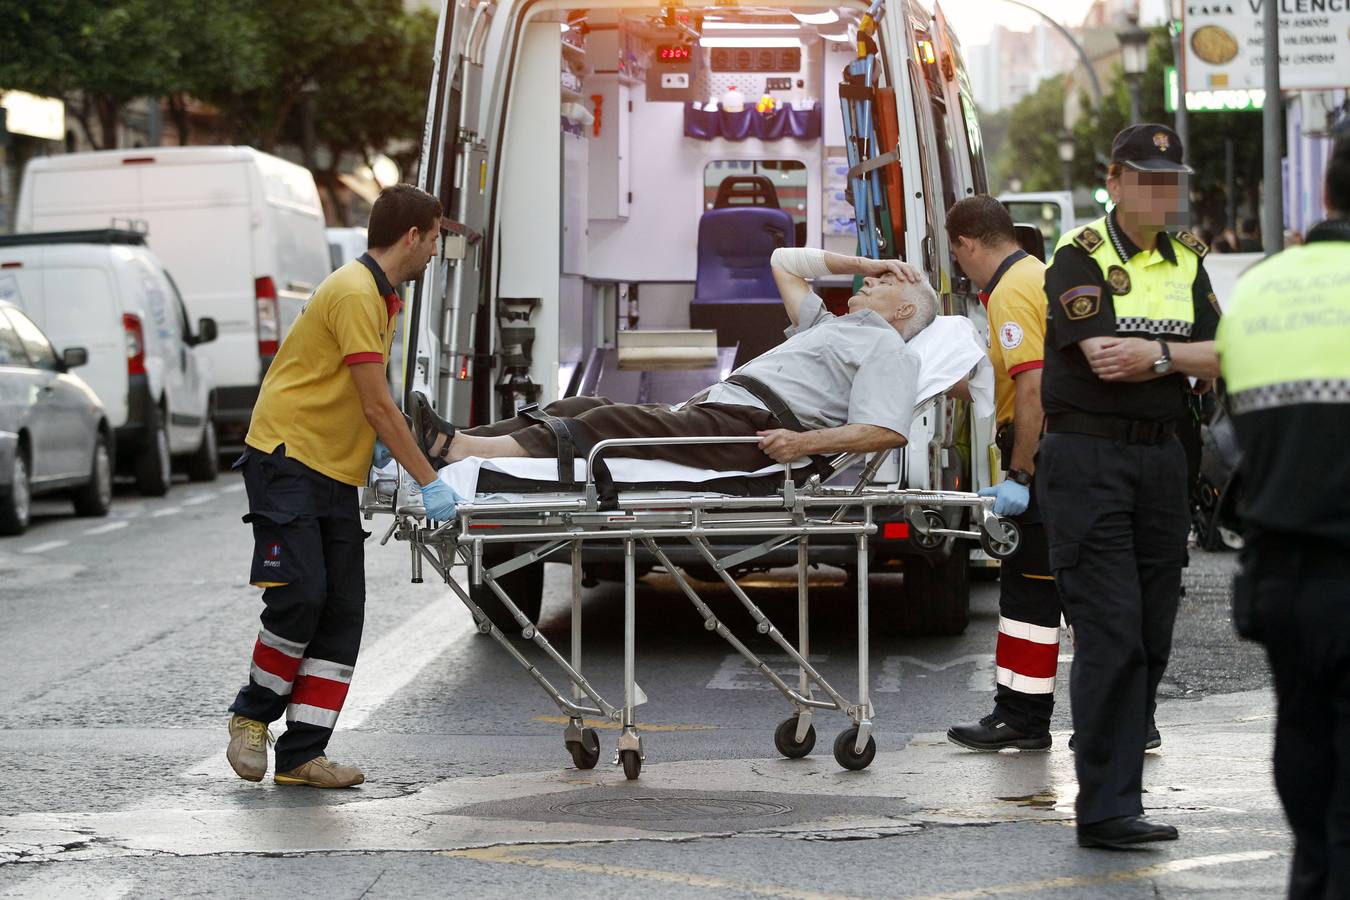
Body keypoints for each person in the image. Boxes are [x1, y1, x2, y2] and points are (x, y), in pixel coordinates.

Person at [224, 184, 461, 788]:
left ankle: (303, 754)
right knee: (301, 594)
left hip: (331, 467)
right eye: (435, 237)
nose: (436, 250)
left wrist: (379, 449)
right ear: (413, 236)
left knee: (341, 612)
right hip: (289, 458)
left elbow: (360, 398)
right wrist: (427, 478)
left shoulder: (377, 297)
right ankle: (251, 718)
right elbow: (379, 405)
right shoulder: (358, 293)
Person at [1037, 124, 1220, 849]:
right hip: (1089, 461)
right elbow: (1105, 358)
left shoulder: (1188, 261)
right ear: (1113, 181)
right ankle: (1106, 808)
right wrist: (1179, 358)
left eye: (1170, 181)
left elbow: (1225, 354)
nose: (1161, 193)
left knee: (1151, 632)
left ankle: (1120, 789)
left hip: (1162, 462)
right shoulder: (1079, 257)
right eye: (1146, 178)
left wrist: (1162, 354)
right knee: (1112, 632)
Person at [410, 250, 938, 478]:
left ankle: (456, 450)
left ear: (907, 310)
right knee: (578, 403)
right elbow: (783, 262)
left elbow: (886, 431)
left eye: (887, 282)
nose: (871, 281)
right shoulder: (831, 326)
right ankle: (453, 440)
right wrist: (863, 262)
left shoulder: (888, 350)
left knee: (604, 423)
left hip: (750, 431)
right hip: (722, 410)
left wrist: (802, 444)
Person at [1219, 133, 1350, 898]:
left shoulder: (1263, 290)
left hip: (1281, 578)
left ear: (1324, 195)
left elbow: (1235, 429)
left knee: (1304, 749)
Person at [942, 195, 1061, 753]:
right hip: (1055, 453)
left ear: (967, 243)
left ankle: (1021, 717)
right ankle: (1030, 714)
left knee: (1030, 597)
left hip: (1037, 456)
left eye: (957, 254)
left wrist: (1020, 473)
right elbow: (1010, 379)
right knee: (1052, 592)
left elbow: (1033, 388)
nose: (960, 266)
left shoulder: (1011, 293)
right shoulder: (1036, 276)